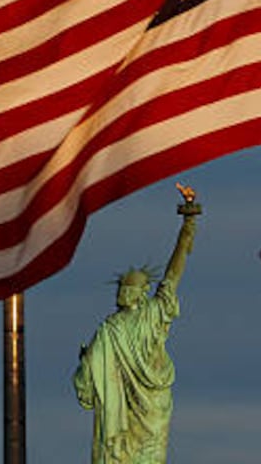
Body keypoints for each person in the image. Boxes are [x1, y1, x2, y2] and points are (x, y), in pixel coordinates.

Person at [73, 188, 199, 463]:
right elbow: (174, 273)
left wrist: (85, 362)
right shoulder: (148, 315)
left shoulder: (111, 329)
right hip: (151, 407)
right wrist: (188, 223)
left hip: (130, 419)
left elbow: (85, 383)